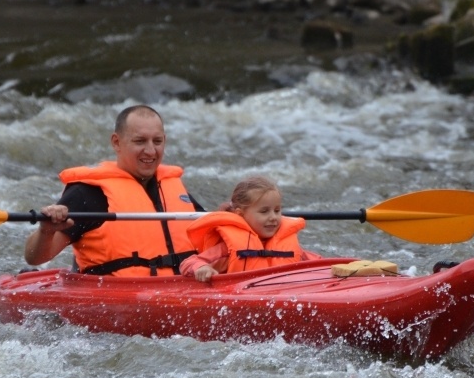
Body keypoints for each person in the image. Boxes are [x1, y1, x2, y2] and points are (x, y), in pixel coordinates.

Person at [24, 104, 204, 277]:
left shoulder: (174, 190)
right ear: (116, 142)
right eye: (140, 141)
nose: (150, 151)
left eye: (157, 141)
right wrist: (46, 232)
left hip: (180, 289)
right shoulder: (87, 194)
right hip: (118, 295)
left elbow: (212, 238)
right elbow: (35, 258)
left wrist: (227, 215)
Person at [180, 176, 322, 282]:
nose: (273, 217)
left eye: (277, 210)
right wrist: (201, 268)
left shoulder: (290, 246)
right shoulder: (227, 249)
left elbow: (319, 264)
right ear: (240, 215)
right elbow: (188, 263)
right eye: (264, 211)